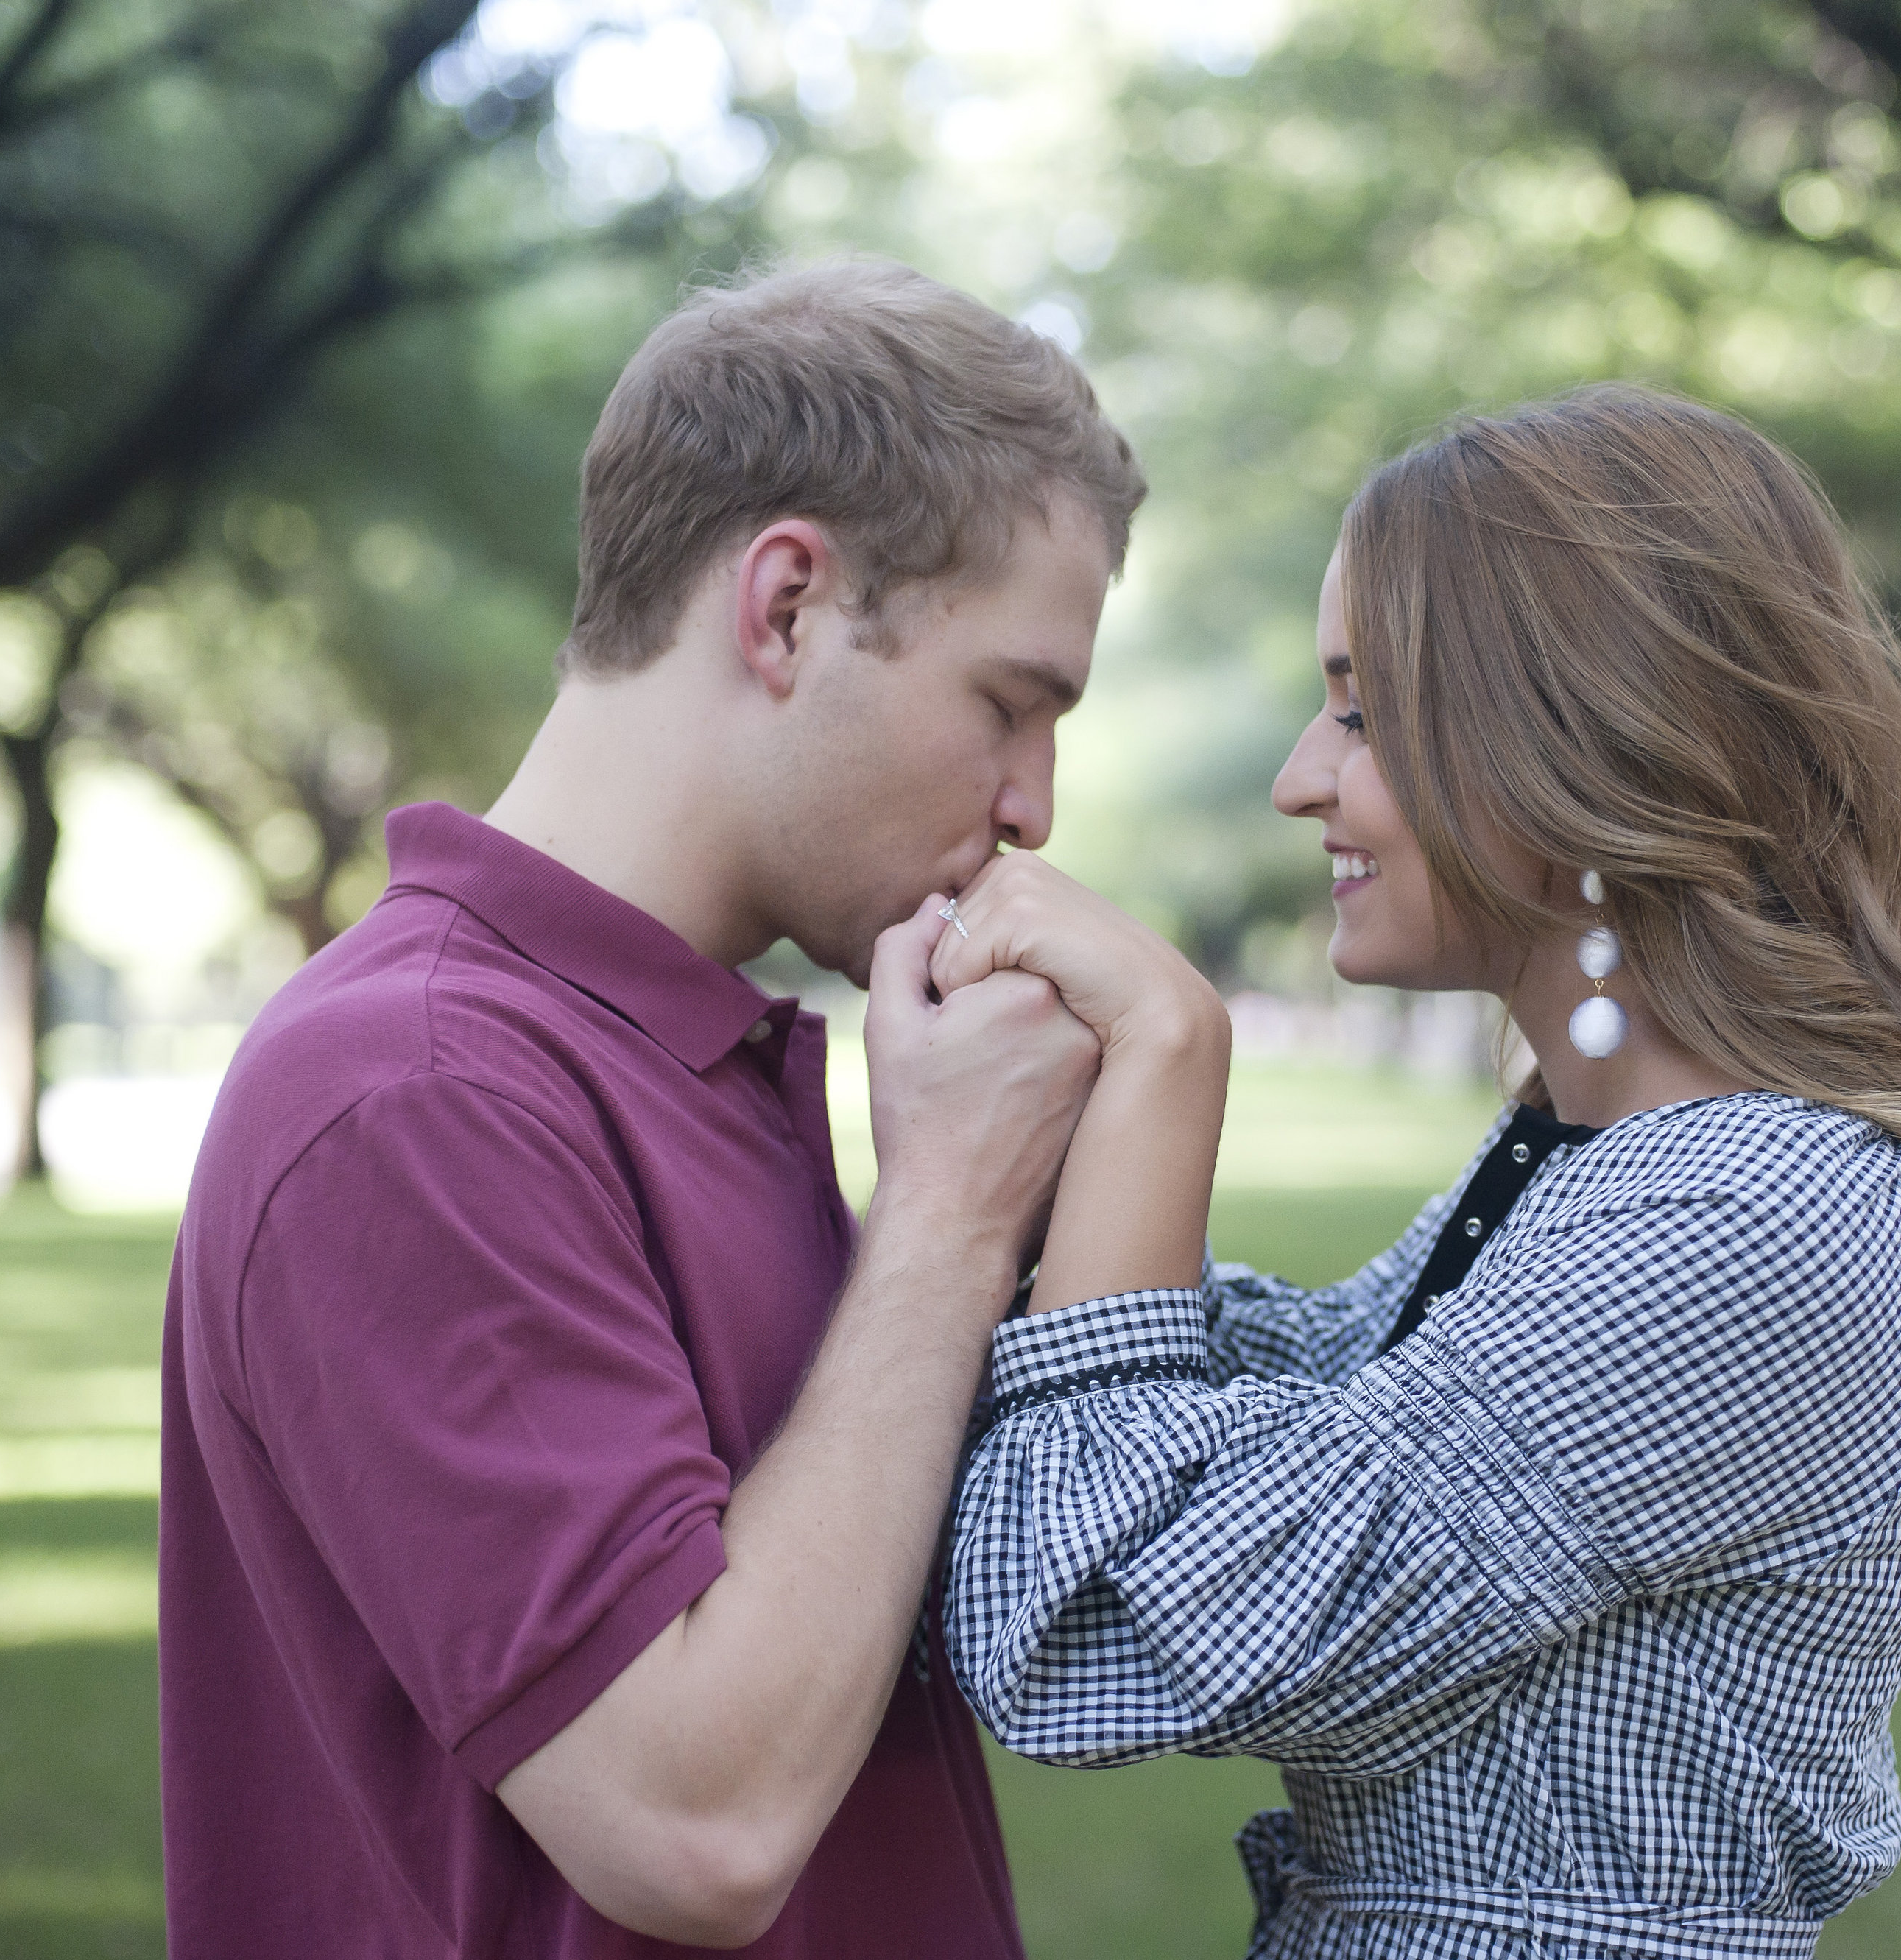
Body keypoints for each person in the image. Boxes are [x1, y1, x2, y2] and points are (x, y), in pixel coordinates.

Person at [930, 384, 1901, 1959]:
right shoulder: (1602, 1148)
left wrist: (1162, 1062)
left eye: (1361, 709)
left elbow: (1107, 1620)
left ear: (1580, 726)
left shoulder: (1754, 1216)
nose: (1297, 778)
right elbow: (1318, 1402)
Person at [157, 258, 1149, 1958]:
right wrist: (947, 1216)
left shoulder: (673, 1052)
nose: (1032, 804)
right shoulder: (415, 1092)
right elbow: (697, 1819)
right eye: (1009, 702)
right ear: (782, 607)